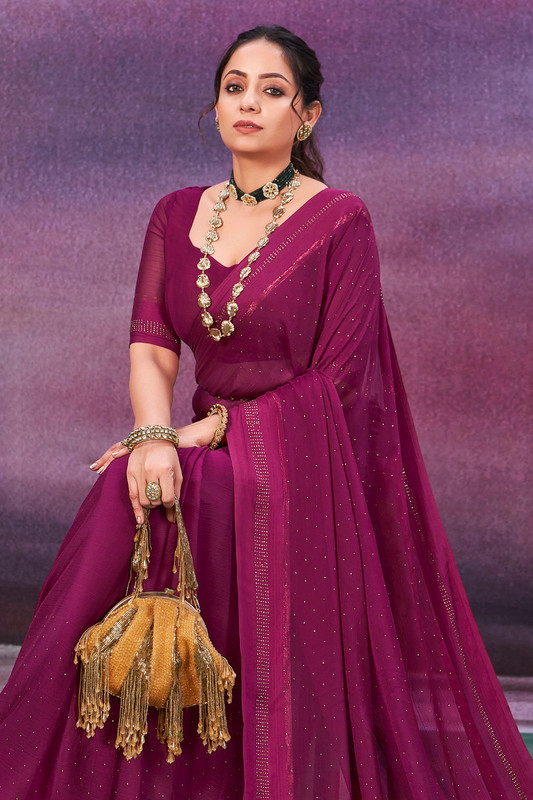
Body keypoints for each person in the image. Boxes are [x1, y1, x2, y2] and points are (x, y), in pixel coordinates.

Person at [0, 23, 532, 800]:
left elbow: (338, 380)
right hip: (197, 441)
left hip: (300, 456)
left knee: (212, 486)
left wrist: (206, 432)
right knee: (131, 485)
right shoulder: (175, 212)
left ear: (306, 115)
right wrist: (153, 436)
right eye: (234, 87)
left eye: (271, 90)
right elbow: (152, 345)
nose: (248, 102)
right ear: (214, 107)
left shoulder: (340, 220)